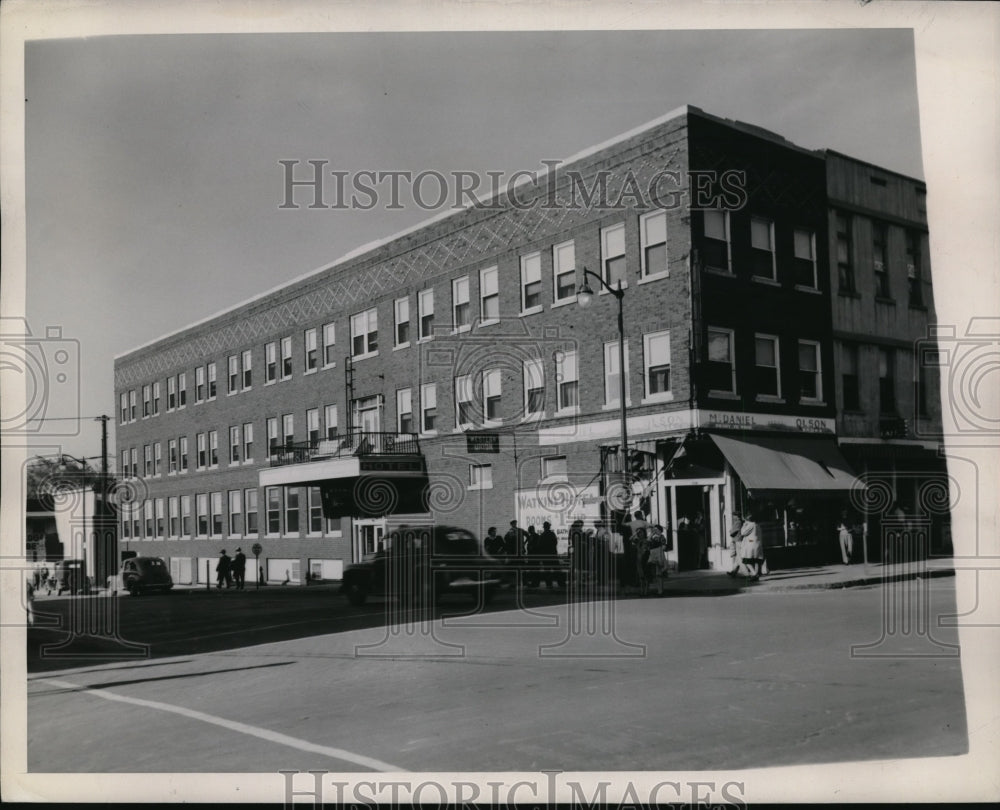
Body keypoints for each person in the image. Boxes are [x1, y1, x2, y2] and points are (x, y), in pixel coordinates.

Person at [740, 512, 764, 580]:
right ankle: (757, 573)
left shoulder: (751, 525)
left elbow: (743, 533)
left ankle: (754, 574)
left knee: (746, 561)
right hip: (757, 545)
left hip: (751, 546)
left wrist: (744, 525)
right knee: (756, 560)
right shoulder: (757, 525)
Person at [645, 524, 669, 595]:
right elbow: (647, 541)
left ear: (660, 530)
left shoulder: (661, 537)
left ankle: (660, 591)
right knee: (649, 573)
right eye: (654, 529)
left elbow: (664, 546)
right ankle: (647, 591)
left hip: (659, 554)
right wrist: (652, 534)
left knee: (659, 574)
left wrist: (662, 547)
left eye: (657, 530)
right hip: (652, 554)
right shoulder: (652, 537)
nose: (655, 531)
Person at [539, 521, 562, 588]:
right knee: (557, 570)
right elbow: (555, 542)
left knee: (547, 570)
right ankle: (560, 583)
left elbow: (540, 545)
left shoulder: (542, 535)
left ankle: (549, 584)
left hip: (545, 556)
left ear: (544, 527)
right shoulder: (552, 534)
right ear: (549, 527)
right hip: (553, 554)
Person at [728, 513, 744, 577]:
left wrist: (731, 531)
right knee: (738, 557)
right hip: (739, 540)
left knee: (739, 557)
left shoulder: (738, 522)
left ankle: (745, 573)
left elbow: (732, 532)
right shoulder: (741, 522)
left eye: (734, 516)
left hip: (738, 540)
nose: (733, 517)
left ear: (737, 516)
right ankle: (734, 571)